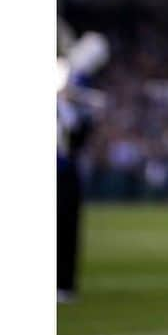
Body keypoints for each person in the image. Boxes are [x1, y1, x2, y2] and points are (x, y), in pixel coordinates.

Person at [57, 31, 110, 302]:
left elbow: (80, 129)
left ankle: (64, 284)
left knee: (66, 226)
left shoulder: (79, 88)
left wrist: (70, 101)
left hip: (64, 168)